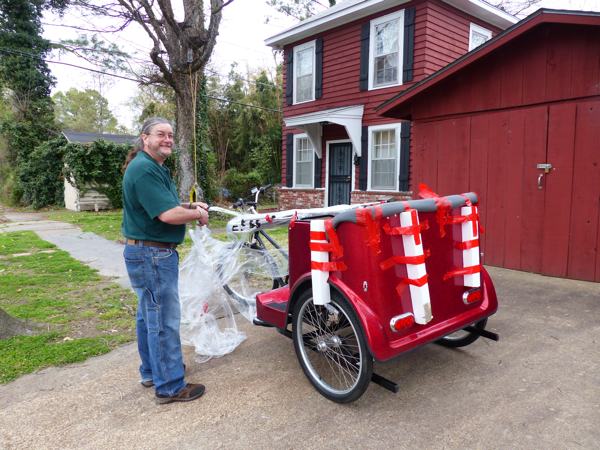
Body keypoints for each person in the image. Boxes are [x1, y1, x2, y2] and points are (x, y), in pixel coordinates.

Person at [121, 117, 209, 404]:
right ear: (145, 138)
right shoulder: (144, 169)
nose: (168, 139)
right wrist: (198, 214)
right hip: (153, 255)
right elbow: (167, 216)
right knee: (163, 321)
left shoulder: (153, 167)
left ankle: (152, 371)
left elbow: (167, 205)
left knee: (149, 316)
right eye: (161, 134)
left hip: (147, 252)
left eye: (171, 135)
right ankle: (170, 386)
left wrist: (189, 205)